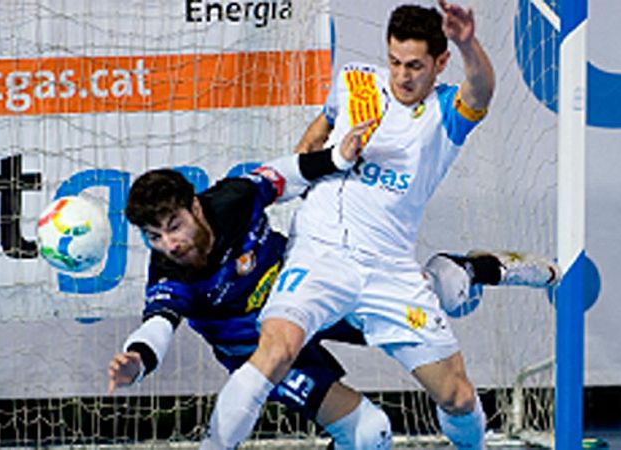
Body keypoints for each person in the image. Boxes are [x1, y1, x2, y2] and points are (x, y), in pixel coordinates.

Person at [200, 2, 505, 449]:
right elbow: (321, 127)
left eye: (416, 66)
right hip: (318, 253)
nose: (402, 76)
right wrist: (310, 161)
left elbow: (481, 90)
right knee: (276, 351)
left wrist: (466, 44)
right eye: (395, 62)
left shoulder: (446, 113)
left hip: (388, 269)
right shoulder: (355, 80)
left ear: (440, 63)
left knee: (457, 396)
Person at [108, 121, 397, 449]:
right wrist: (138, 358)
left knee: (416, 302)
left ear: (197, 207)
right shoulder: (170, 272)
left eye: (175, 227)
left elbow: (283, 174)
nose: (170, 244)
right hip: (259, 351)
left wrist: (338, 159)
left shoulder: (234, 200)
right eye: (154, 236)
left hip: (307, 296)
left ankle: (466, 272)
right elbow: (158, 325)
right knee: (371, 433)